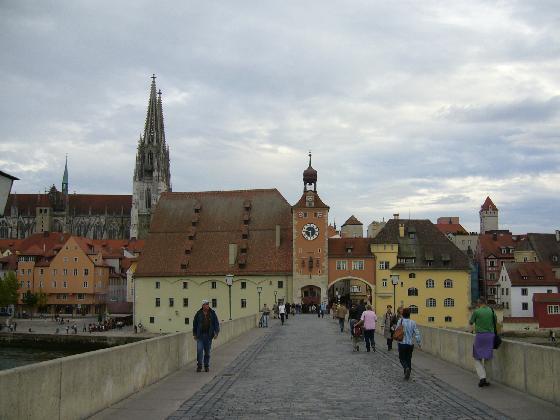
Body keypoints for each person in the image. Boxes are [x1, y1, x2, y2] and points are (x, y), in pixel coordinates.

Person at [469, 298, 497, 387]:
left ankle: (482, 377)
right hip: (490, 336)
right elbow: (495, 322)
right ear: (486, 303)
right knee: (488, 358)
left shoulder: (477, 312)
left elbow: (471, 322)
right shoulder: (492, 311)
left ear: (479, 303)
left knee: (477, 358)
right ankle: (487, 379)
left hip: (480, 336)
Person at [193, 299, 220, 373]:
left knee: (207, 352)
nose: (208, 305)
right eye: (206, 304)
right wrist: (194, 334)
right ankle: (199, 365)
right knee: (199, 350)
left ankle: (206, 366)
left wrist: (216, 333)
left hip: (208, 336)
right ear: (203, 305)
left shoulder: (212, 313)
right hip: (200, 336)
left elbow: (216, 324)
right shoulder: (198, 314)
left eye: (208, 304)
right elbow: (195, 324)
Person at [396, 307, 421, 380]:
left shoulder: (400, 321)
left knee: (401, 358)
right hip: (410, 344)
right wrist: (419, 342)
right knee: (408, 359)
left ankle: (406, 368)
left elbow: (397, 330)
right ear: (409, 314)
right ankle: (407, 374)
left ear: (403, 314)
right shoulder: (413, 322)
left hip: (402, 343)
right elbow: (417, 333)